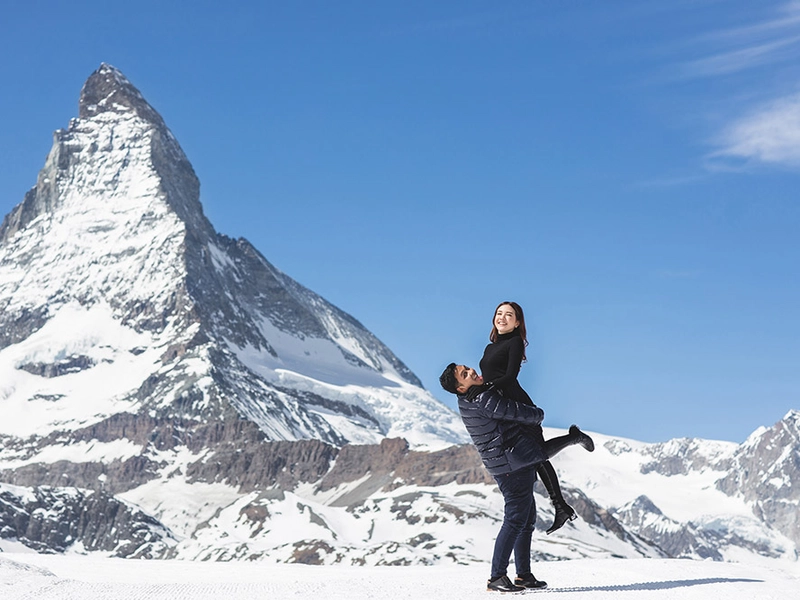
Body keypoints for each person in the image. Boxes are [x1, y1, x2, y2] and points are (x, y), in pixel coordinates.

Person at [481, 301, 594, 535]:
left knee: (538, 453)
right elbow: (491, 374)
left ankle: (574, 438)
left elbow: (510, 375)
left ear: (518, 322)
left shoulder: (515, 342)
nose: (502, 318)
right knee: (536, 458)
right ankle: (560, 506)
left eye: (509, 315)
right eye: (499, 313)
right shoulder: (490, 347)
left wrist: (488, 387)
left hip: (518, 404)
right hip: (506, 407)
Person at [440, 363, 549, 593]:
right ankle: (496, 577)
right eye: (464, 374)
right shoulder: (482, 400)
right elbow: (514, 411)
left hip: (511, 462)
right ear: (461, 387)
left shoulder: (474, 397)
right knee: (515, 520)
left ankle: (524, 575)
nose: (470, 371)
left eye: (466, 368)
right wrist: (538, 414)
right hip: (510, 465)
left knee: (526, 520)